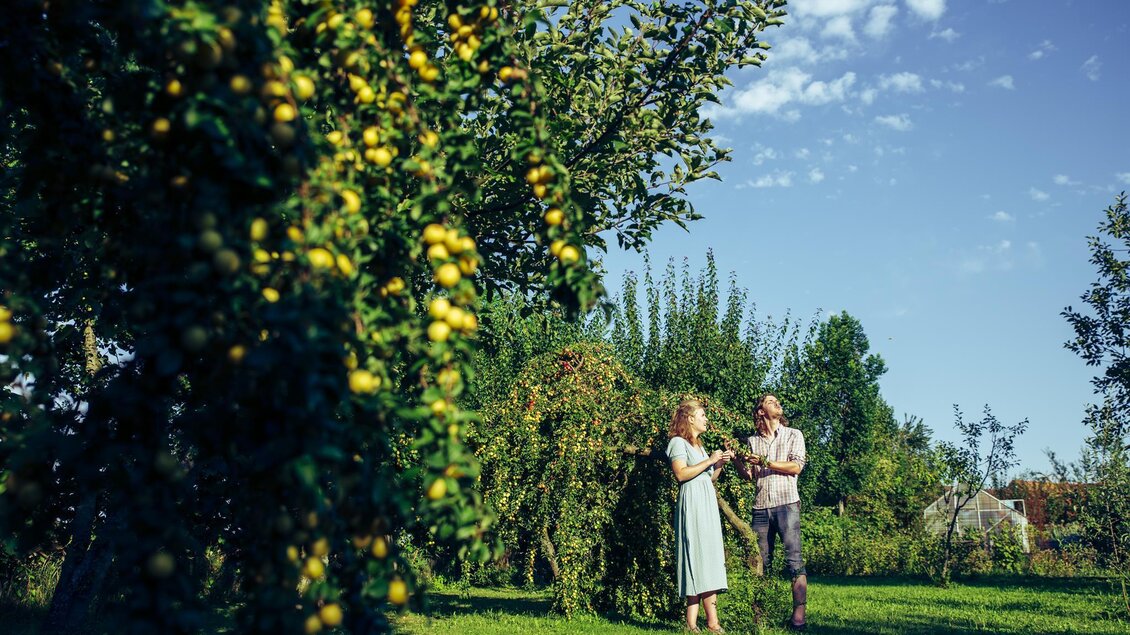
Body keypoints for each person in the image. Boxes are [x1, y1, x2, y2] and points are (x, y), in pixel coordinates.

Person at [733, 393, 808, 631]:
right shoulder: (752, 441)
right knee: (760, 562)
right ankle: (760, 616)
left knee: (794, 560)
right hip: (761, 508)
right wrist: (736, 459)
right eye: (770, 401)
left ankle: (798, 619)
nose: (777, 403)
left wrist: (764, 461)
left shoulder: (793, 434)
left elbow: (796, 466)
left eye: (777, 401)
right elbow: (749, 476)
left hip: (787, 504)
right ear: (761, 411)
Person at [666, 399, 735, 633]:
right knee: (696, 556)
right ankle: (696, 623)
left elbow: (708, 477)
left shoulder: (699, 445)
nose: (706, 419)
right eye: (702, 415)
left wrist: (719, 464)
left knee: (710, 557)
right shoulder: (678, 442)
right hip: (693, 504)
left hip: (707, 504)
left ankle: (708, 622)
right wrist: (710, 460)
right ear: (690, 419)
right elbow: (681, 474)